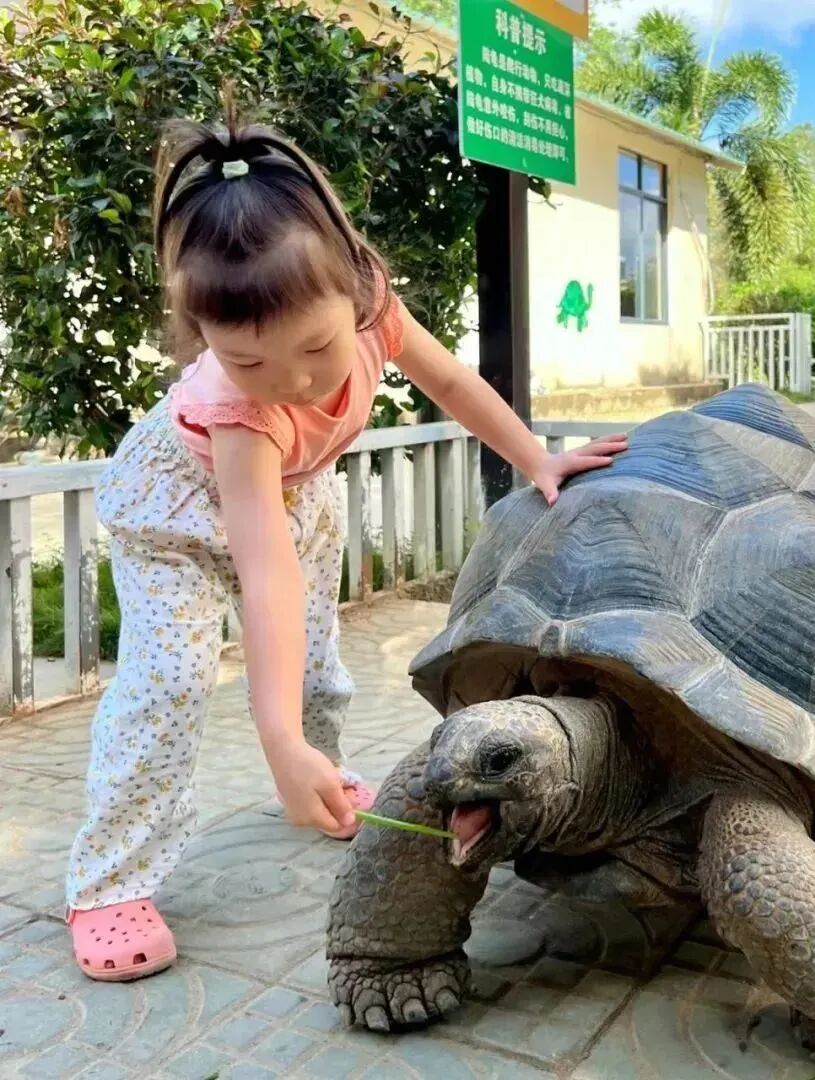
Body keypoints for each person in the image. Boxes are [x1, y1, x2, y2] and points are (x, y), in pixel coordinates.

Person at [66, 105, 627, 982]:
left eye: (316, 348)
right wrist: (272, 738)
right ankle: (109, 882)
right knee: (165, 683)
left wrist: (535, 459)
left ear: (356, 294)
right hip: (177, 518)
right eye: (249, 361)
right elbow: (264, 577)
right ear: (204, 338)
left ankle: (317, 772)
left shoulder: (374, 308)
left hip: (301, 496)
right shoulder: (240, 412)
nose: (292, 381)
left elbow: (452, 381)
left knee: (319, 662)